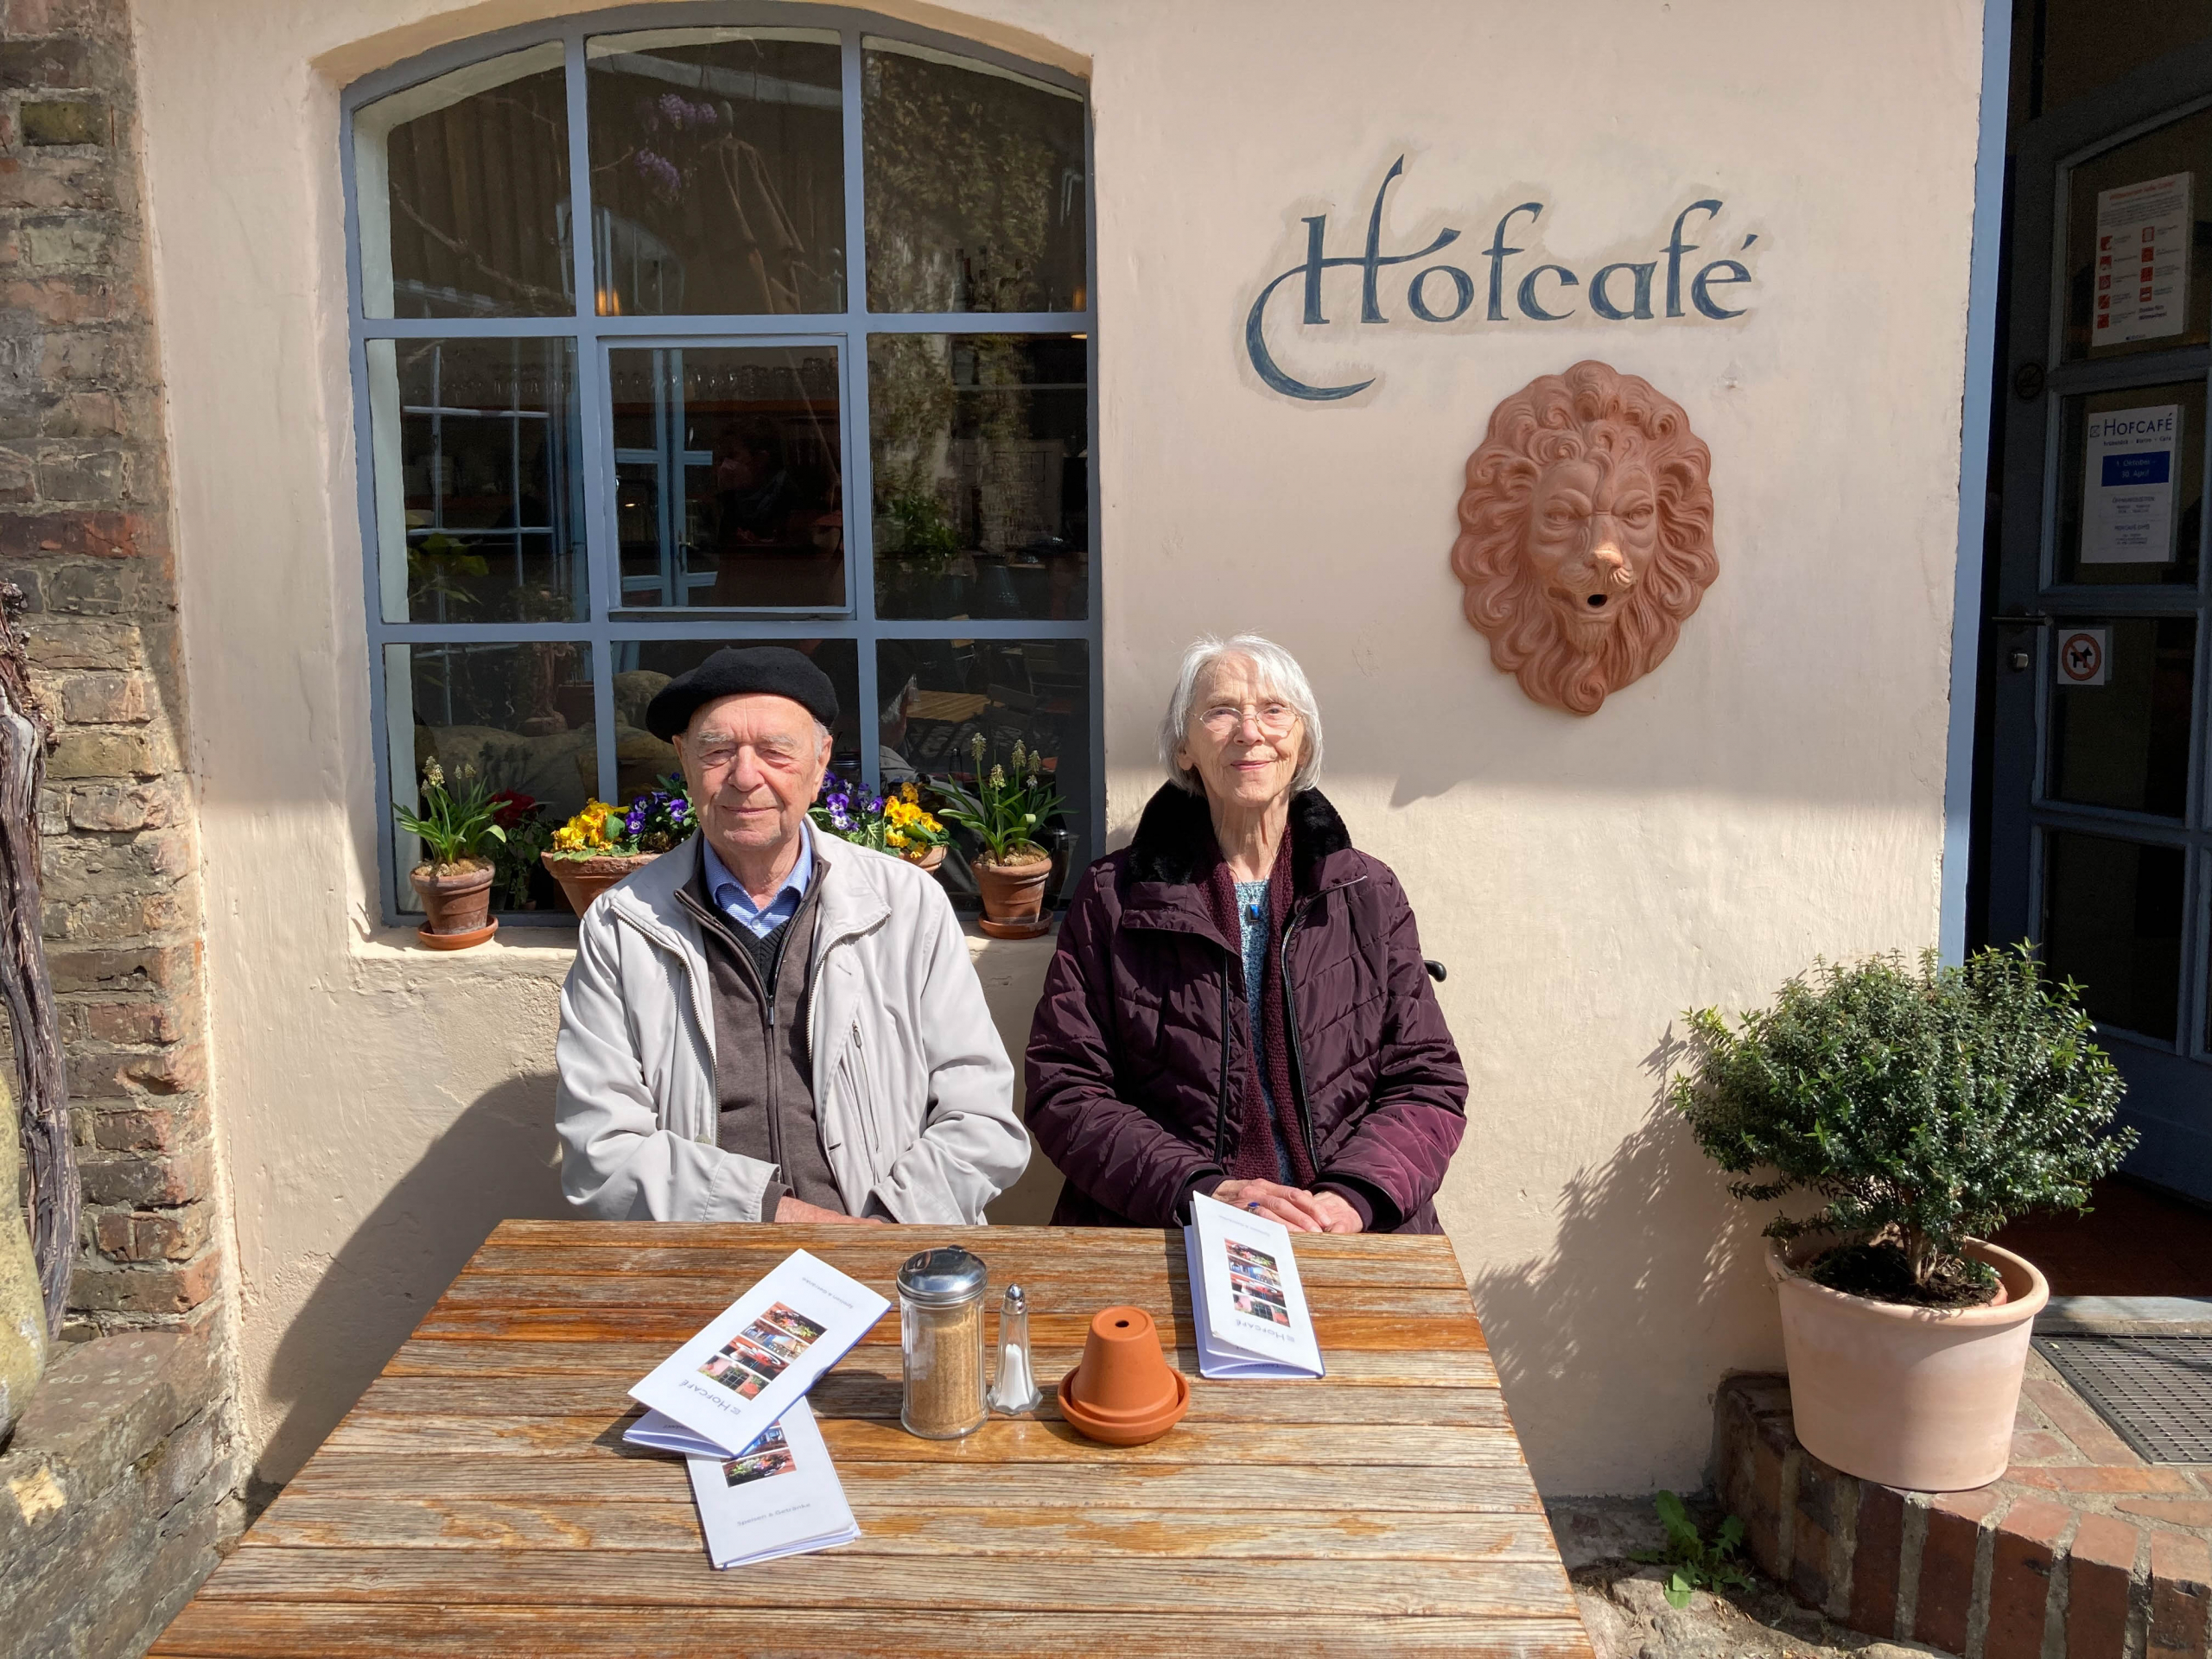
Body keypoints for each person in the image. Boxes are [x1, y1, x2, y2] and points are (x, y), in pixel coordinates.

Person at [555, 645, 1027, 1224]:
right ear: (683, 759)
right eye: (717, 751)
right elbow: (601, 1152)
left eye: (775, 751)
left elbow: (979, 1118)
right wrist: (783, 1221)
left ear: (821, 762)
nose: (744, 776)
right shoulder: (622, 925)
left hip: (894, 1242)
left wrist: (881, 1231)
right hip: (709, 1250)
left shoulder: (908, 906)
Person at [1026, 633, 1466, 1233]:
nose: (1250, 732)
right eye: (1221, 711)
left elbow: (1426, 1080)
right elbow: (1065, 1087)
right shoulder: (1113, 896)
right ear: (1184, 747)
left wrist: (1352, 1198)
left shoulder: (1367, 892)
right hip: (1171, 1219)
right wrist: (1201, 1191)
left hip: (1342, 1224)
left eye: (1274, 710)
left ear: (1302, 741)